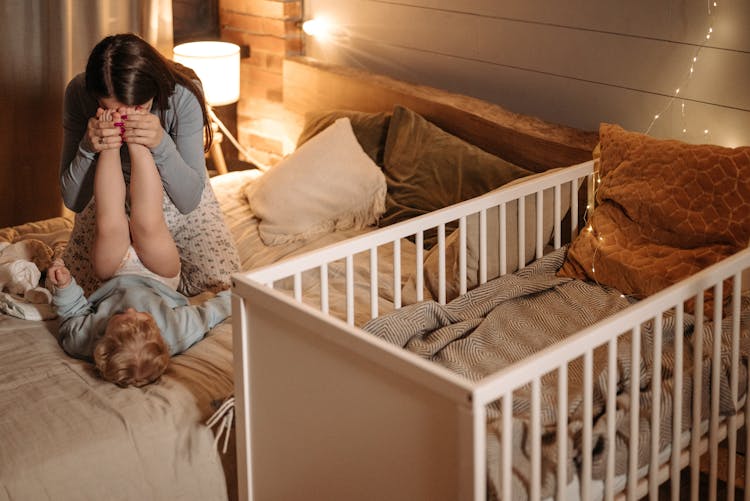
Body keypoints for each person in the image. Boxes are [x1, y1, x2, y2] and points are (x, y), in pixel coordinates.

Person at [48, 108, 231, 388]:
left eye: (120, 317)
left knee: (109, 223)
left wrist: (64, 287)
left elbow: (71, 314)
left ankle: (111, 138)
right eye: (143, 319)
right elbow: (211, 313)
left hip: (113, 273)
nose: (131, 310)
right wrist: (240, 294)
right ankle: (137, 137)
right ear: (160, 336)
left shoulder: (83, 340)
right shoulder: (177, 333)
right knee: (147, 221)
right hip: (159, 276)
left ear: (103, 344)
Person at [60, 32, 240, 298]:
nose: (124, 117)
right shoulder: (79, 92)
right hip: (109, 193)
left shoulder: (183, 95)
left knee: (223, 288)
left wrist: (161, 144)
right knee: (85, 285)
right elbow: (73, 200)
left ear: (153, 89)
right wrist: (88, 148)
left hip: (175, 190)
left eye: (138, 107)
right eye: (110, 108)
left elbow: (189, 200)